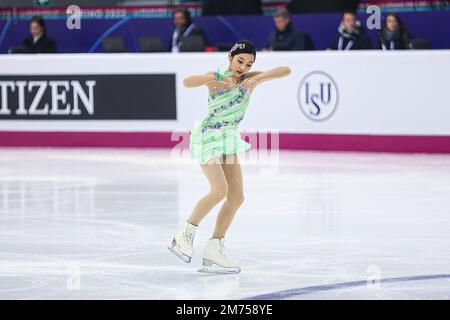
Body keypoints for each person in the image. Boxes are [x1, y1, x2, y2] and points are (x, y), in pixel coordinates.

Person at [168, 40, 291, 273]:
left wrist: (255, 79)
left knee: (236, 197)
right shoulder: (215, 77)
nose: (243, 66)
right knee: (219, 190)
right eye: (240, 60)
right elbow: (186, 82)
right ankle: (184, 234)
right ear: (230, 58)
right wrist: (212, 78)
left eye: (249, 63)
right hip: (207, 138)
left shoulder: (247, 79)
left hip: (228, 141)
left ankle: (214, 248)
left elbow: (285, 70)